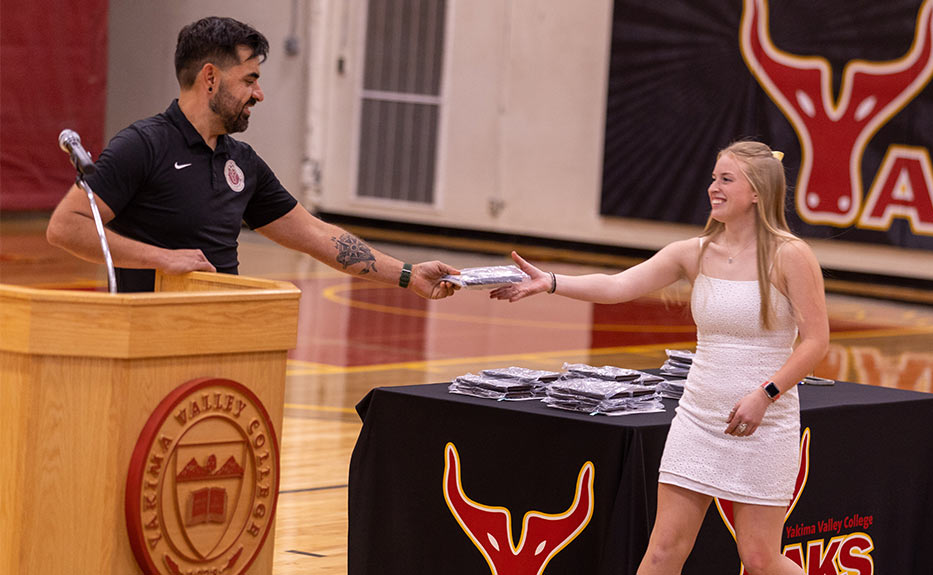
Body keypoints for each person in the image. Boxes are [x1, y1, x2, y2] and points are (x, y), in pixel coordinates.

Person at [490, 141, 829, 574]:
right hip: (698, 419)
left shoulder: (791, 255)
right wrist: (551, 282)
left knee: (760, 559)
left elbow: (816, 342)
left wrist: (765, 394)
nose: (713, 188)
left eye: (726, 179)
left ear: (758, 192)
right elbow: (617, 287)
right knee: (664, 550)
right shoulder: (693, 252)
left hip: (764, 423)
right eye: (712, 178)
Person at [47, 16, 458, 298]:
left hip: (225, 331)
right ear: (210, 78)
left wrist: (408, 274)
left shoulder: (242, 162)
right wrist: (162, 260)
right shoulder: (143, 144)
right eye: (250, 80)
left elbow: (316, 235)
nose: (259, 94)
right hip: (147, 336)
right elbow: (67, 227)